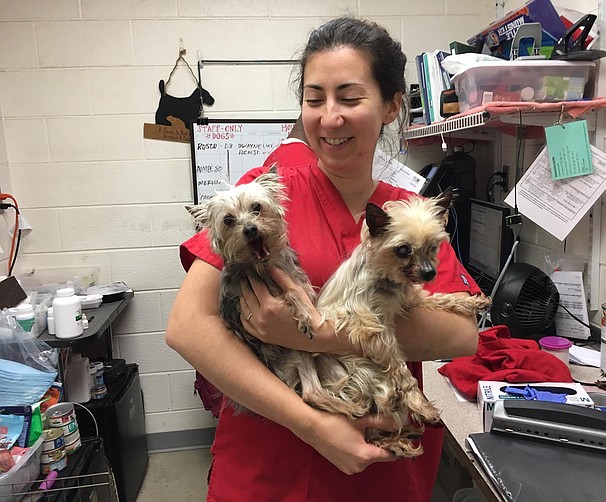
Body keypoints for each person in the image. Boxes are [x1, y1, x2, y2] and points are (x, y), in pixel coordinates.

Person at [166, 16, 482, 502]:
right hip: (268, 467)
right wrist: (312, 424)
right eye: (314, 100)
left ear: (391, 106)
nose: (329, 117)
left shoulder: (410, 214)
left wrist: (316, 331)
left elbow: (460, 335)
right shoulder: (263, 196)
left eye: (350, 98)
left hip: (380, 465)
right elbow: (188, 327)